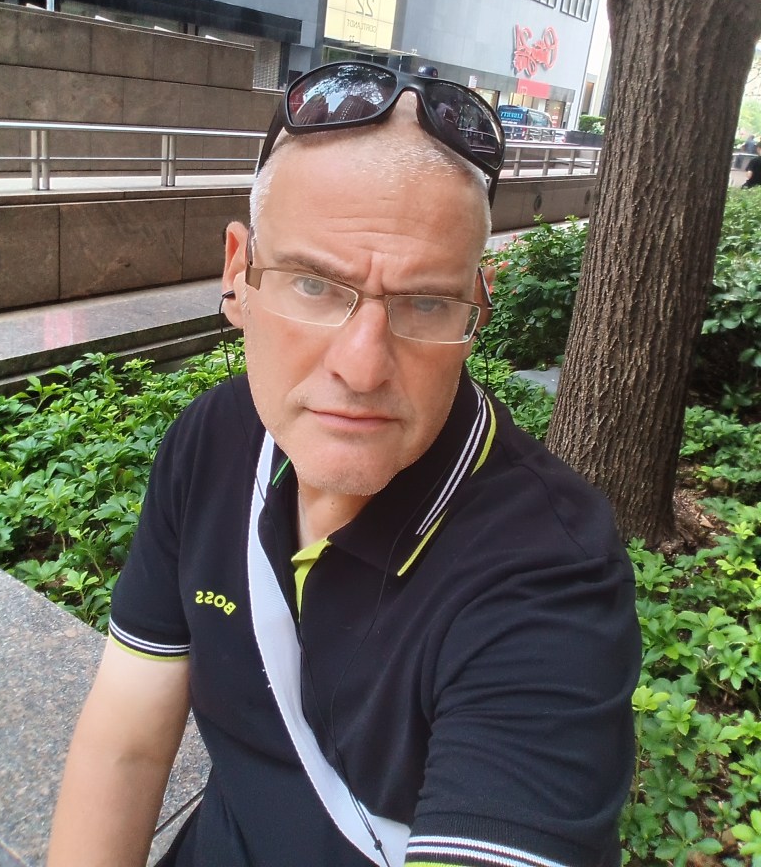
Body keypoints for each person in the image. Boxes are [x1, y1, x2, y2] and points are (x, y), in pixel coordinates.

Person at [47, 62, 640, 867]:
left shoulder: (549, 576)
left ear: (476, 310)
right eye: (314, 285)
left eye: (425, 302)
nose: (361, 369)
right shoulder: (212, 443)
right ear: (238, 274)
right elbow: (125, 742)